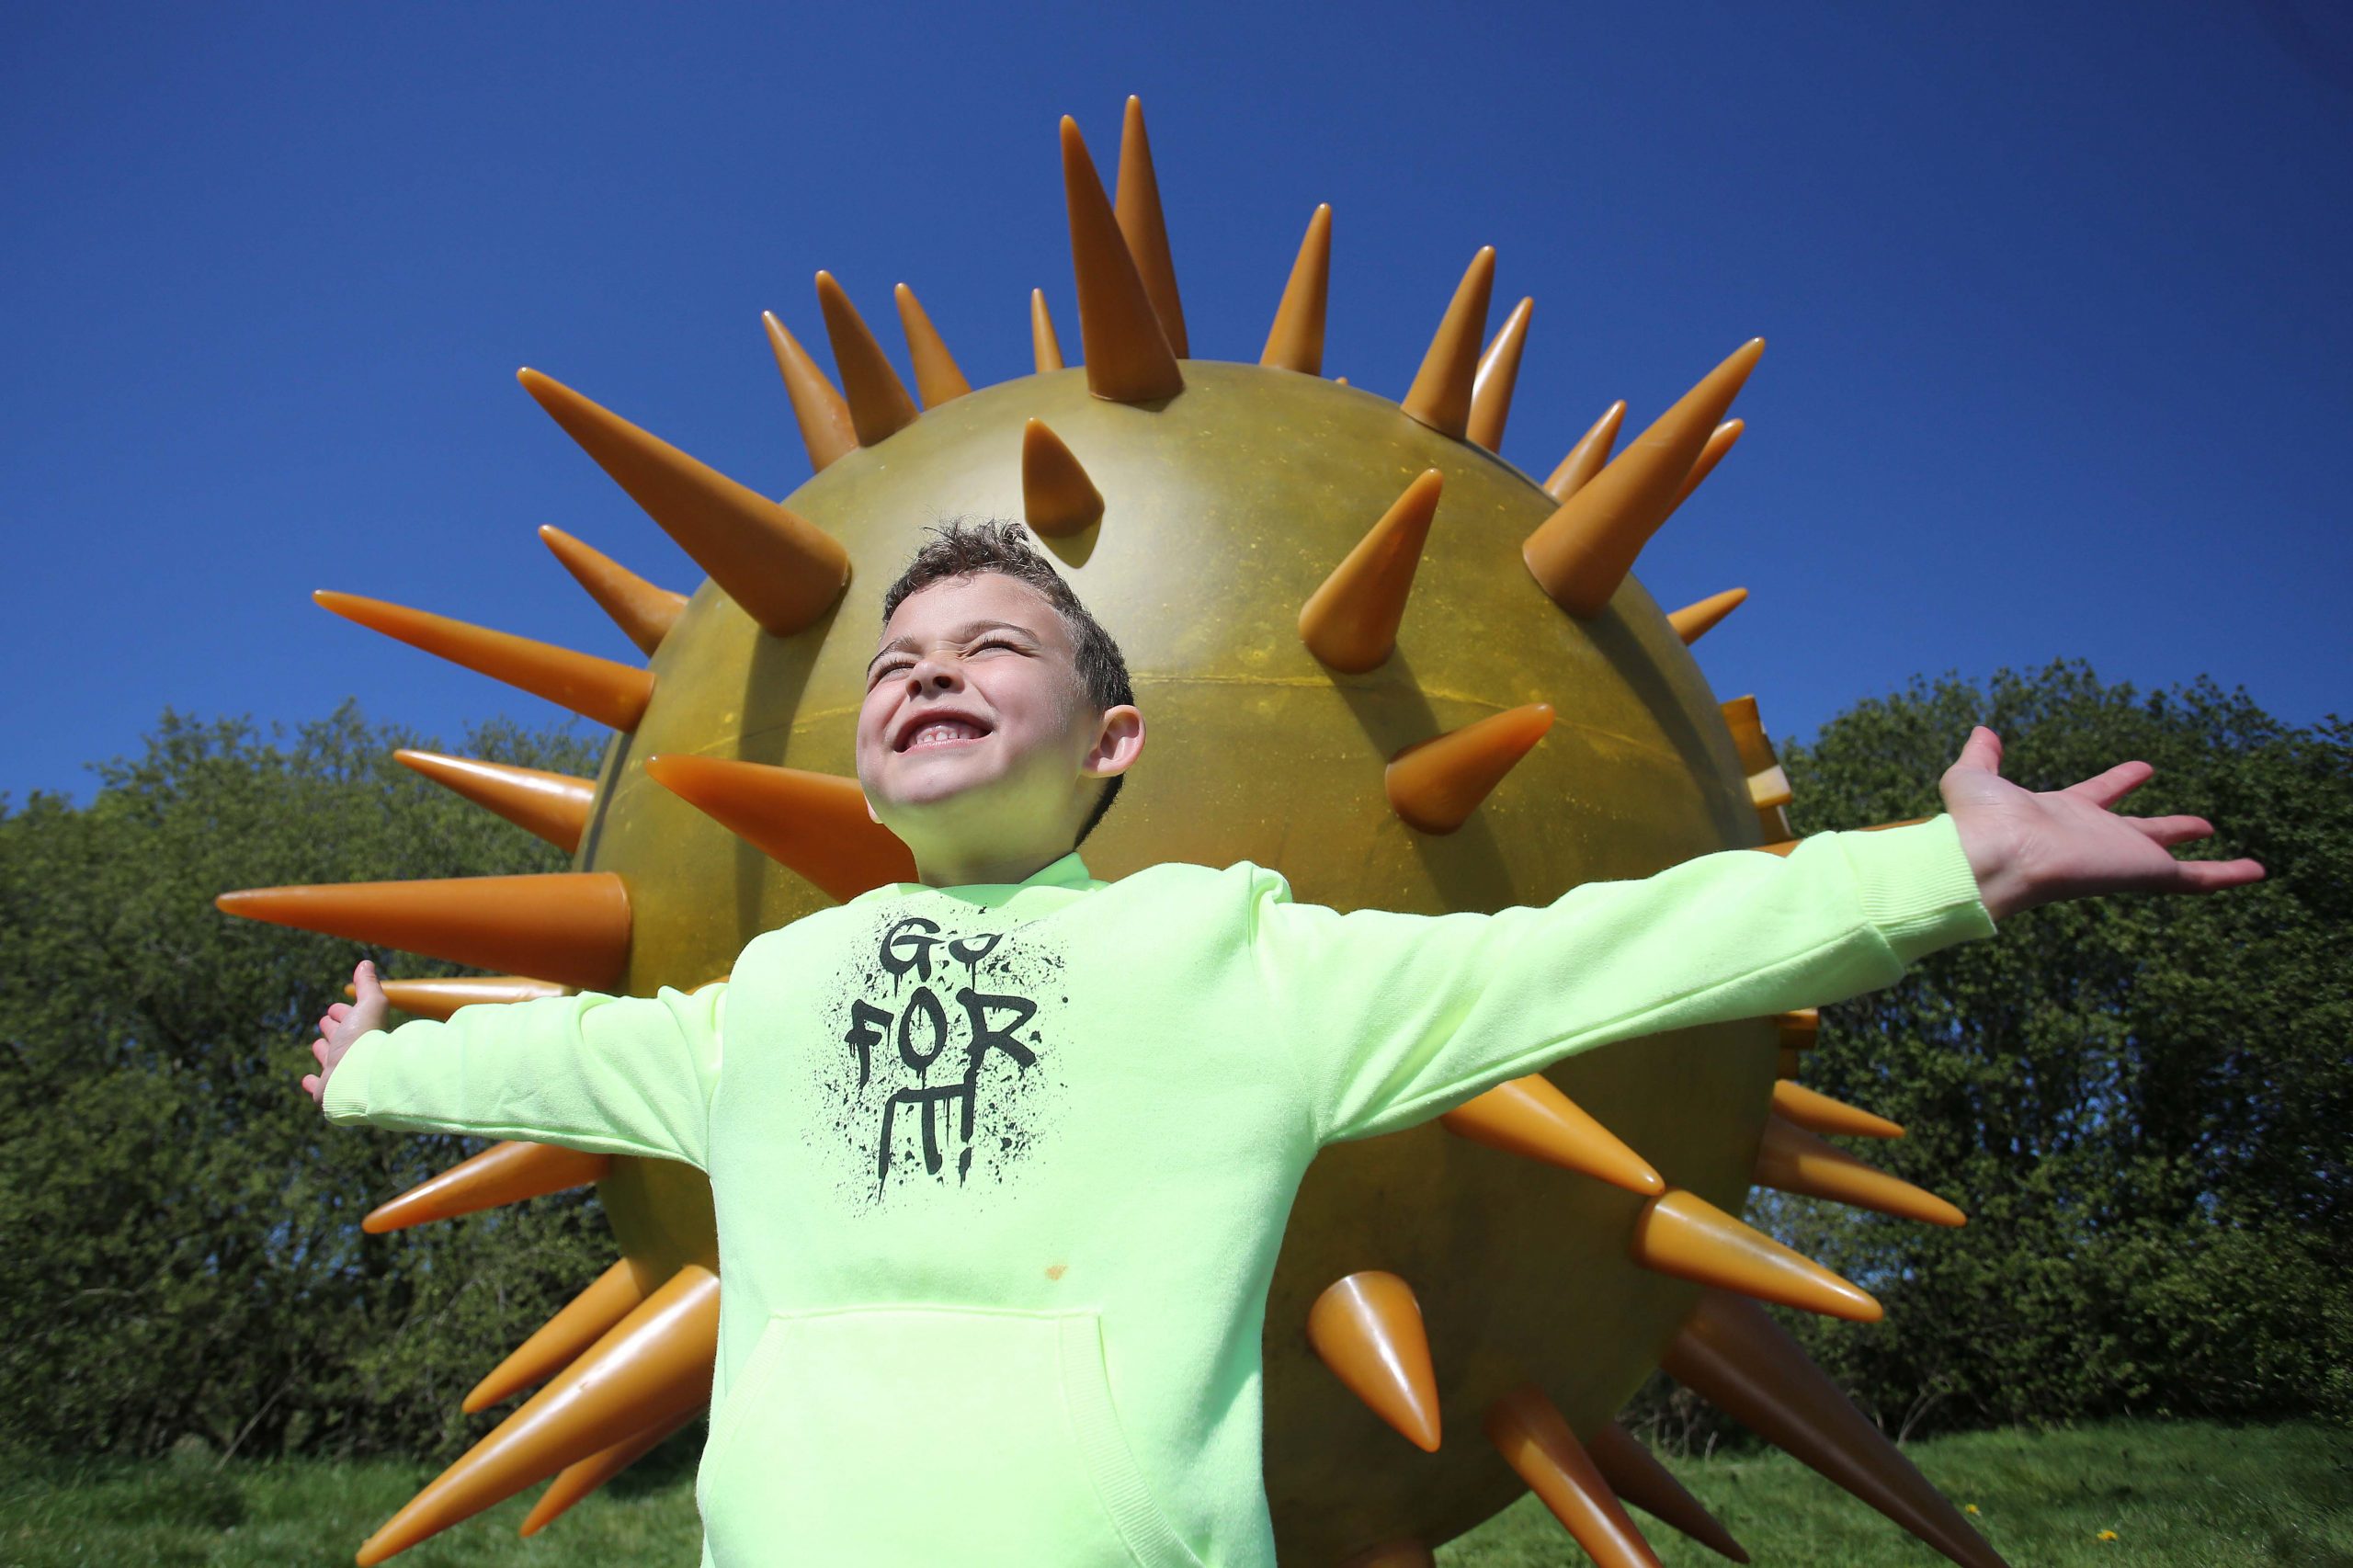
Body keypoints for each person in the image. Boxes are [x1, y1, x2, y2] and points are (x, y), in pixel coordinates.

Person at [303, 519, 2262, 1568]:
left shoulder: (1231, 957)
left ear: (1115, 738)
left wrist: (1950, 863)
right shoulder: (763, 1008)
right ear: (869, 760)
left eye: (991, 647)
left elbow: (1588, 958)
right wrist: (374, 1065)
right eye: (895, 663)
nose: (926, 671)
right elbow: (551, 1064)